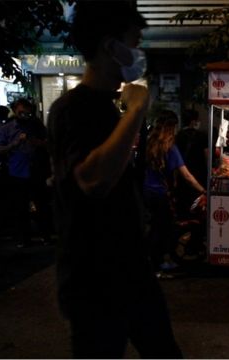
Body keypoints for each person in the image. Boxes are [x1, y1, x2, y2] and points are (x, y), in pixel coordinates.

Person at [46, 1, 182, 358]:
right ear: (111, 46)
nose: (139, 52)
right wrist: (136, 110)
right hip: (94, 279)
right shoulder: (73, 108)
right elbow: (93, 181)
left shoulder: (110, 106)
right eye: (134, 42)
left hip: (130, 268)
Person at [144, 111, 206, 272]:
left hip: (147, 192)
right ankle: (157, 262)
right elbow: (186, 175)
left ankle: (152, 259)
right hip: (160, 194)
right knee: (164, 228)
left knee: (155, 227)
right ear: (172, 127)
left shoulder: (149, 143)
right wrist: (203, 190)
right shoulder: (170, 148)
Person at [0, 98, 51, 248]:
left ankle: (45, 236)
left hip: (37, 170)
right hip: (17, 172)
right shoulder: (7, 128)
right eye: (22, 112)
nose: (25, 115)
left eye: (28, 112)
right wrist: (14, 144)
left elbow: (49, 143)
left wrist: (39, 143)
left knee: (42, 205)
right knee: (20, 206)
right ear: (15, 110)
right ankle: (24, 238)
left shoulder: (36, 125)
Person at [175, 108, 208, 218]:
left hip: (182, 176)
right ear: (194, 121)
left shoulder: (178, 136)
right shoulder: (202, 136)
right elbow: (207, 156)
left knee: (183, 209)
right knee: (198, 207)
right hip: (199, 176)